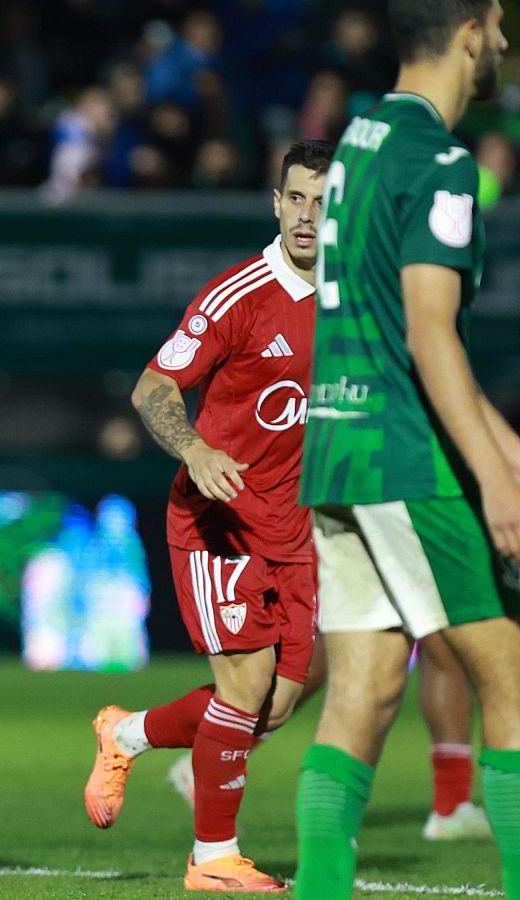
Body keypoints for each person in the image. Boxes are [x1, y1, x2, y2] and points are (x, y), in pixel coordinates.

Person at [295, 1, 520, 894]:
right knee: (507, 678)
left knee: (365, 691)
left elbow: (392, 330)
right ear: (470, 31)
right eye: (500, 26)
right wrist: (499, 481)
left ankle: (318, 886)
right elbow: (431, 338)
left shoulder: (358, 139)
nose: (503, 44)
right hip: (403, 454)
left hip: (338, 449)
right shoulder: (442, 160)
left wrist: (506, 446)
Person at [82, 139, 332, 892]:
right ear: (275, 202)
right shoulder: (240, 296)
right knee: (246, 690)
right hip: (217, 523)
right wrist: (193, 450)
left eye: (322, 203)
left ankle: (125, 732)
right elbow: (153, 388)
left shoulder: (357, 298)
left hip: (297, 528)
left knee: (278, 705)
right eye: (295, 199)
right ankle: (213, 859)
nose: (307, 216)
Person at [161, 633, 495, 842]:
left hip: (364, 528)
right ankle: (216, 752)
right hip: (384, 526)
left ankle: (452, 805)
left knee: (430, 645)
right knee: (340, 654)